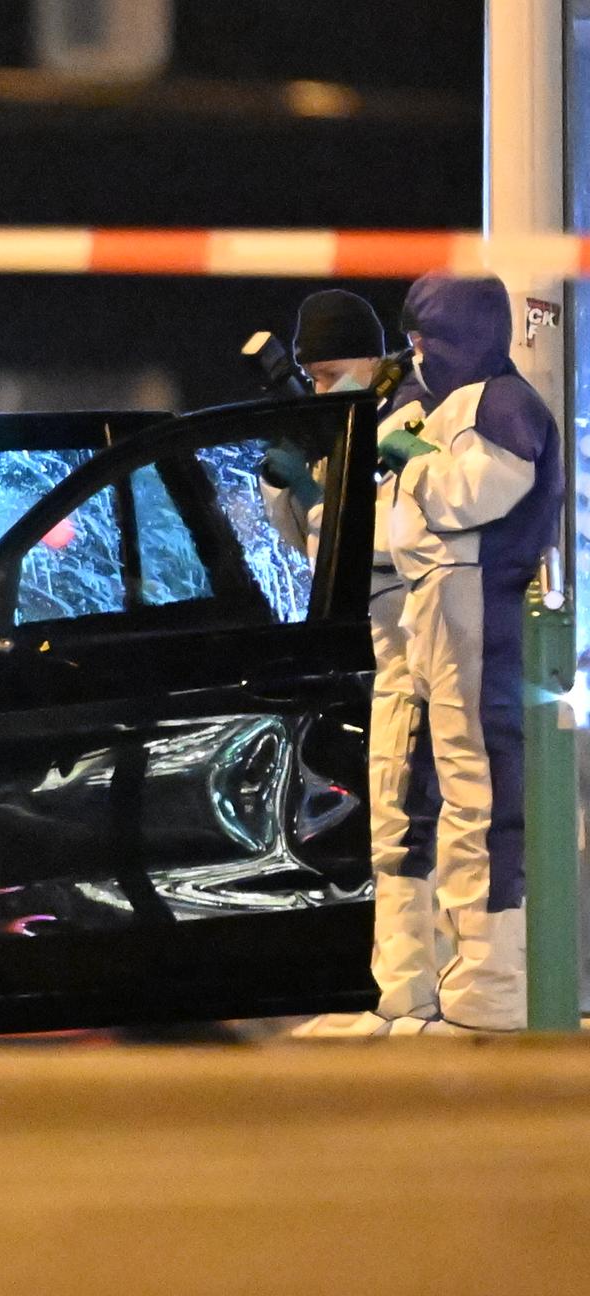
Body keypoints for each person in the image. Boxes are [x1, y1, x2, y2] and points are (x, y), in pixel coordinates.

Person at [373, 272, 563, 1033]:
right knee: (442, 794)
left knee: (481, 799)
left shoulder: (503, 404)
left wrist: (412, 455)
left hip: (478, 606)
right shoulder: (461, 400)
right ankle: (458, 980)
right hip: (445, 608)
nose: (415, 353)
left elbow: (469, 495)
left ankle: (493, 987)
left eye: (425, 338)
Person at [263, 290, 446, 1038]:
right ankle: (402, 990)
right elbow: (309, 546)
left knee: (412, 823)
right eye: (310, 377)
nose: (321, 387)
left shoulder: (409, 418)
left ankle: (412, 997)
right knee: (394, 824)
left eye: (332, 372)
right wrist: (292, 486)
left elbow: (377, 540)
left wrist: (313, 495)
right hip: (381, 653)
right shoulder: (357, 424)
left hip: (418, 647)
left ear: (374, 358)